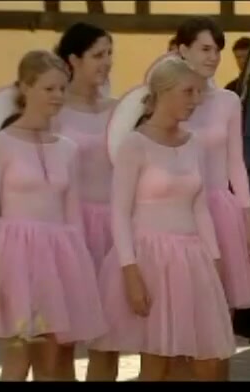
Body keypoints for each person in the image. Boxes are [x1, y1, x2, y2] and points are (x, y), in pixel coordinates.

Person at [88, 56, 235, 381]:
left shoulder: (194, 143)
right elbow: (120, 212)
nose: (196, 100)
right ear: (164, 93)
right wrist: (130, 273)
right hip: (149, 258)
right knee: (157, 363)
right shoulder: (135, 145)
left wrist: (214, 258)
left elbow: (199, 207)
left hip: (190, 258)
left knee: (205, 361)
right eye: (188, 92)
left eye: (198, 92)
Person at [0, 50, 107, 381]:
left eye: (62, 88)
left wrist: (80, 273)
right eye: (49, 88)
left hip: (58, 261)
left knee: (51, 365)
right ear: (26, 87)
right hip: (15, 262)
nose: (57, 96)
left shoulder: (67, 148)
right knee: (17, 359)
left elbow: (73, 218)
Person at [171, 17, 250, 380]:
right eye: (205, 49)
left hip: (221, 211)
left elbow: (235, 163)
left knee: (222, 321)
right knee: (181, 316)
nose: (213, 57)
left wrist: (247, 219)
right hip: (180, 215)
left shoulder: (228, 101)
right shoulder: (166, 99)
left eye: (217, 50)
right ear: (183, 50)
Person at [52, 22, 117, 381]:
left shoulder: (119, 110)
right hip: (69, 227)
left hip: (113, 229)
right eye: (97, 55)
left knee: (109, 337)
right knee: (63, 339)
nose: (106, 62)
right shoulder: (55, 109)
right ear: (74, 59)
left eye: (109, 54)